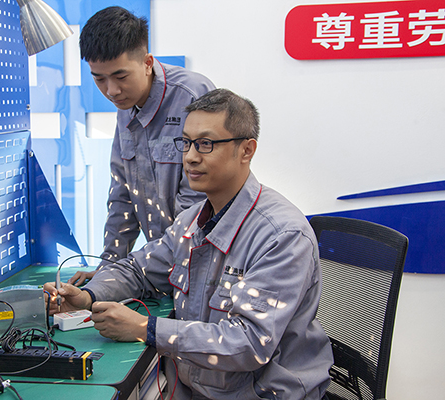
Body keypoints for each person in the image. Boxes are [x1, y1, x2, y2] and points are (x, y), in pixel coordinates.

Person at [45, 88, 333, 399]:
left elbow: (249, 343)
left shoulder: (282, 235)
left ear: (246, 150)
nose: (191, 157)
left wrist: (146, 328)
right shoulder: (191, 221)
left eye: (206, 144)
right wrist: (87, 296)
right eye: (186, 142)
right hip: (197, 388)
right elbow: (140, 270)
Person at [68, 6, 215, 285]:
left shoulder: (192, 96)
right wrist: (109, 267)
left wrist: (130, 274)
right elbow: (122, 195)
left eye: (121, 77)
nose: (111, 90)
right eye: (99, 79)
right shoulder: (126, 106)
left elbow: (197, 207)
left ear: (147, 63)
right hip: (160, 266)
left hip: (200, 267)